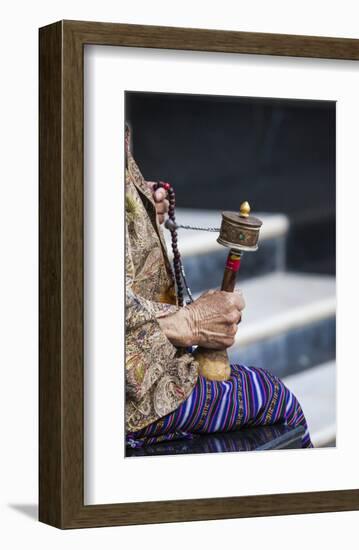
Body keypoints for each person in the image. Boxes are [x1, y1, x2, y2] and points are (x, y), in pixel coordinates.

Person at [124, 124, 313, 449]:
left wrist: (137, 203)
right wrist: (191, 322)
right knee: (277, 401)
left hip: (153, 366)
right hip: (129, 399)